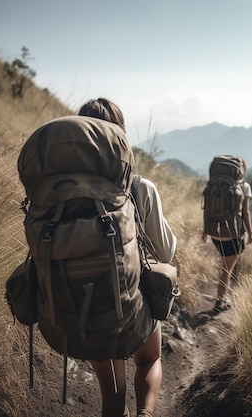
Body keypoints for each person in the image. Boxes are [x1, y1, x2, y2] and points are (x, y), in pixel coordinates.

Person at [78, 98, 176, 417]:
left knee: (111, 395)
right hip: (134, 302)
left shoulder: (60, 196)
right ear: (121, 136)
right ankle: (145, 414)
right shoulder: (139, 188)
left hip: (83, 306)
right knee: (149, 360)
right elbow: (165, 252)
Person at [201, 157, 252, 312]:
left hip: (214, 232)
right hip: (232, 233)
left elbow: (206, 208)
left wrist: (205, 230)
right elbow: (246, 213)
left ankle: (222, 296)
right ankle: (220, 301)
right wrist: (250, 234)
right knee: (226, 270)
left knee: (224, 265)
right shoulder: (244, 186)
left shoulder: (213, 185)